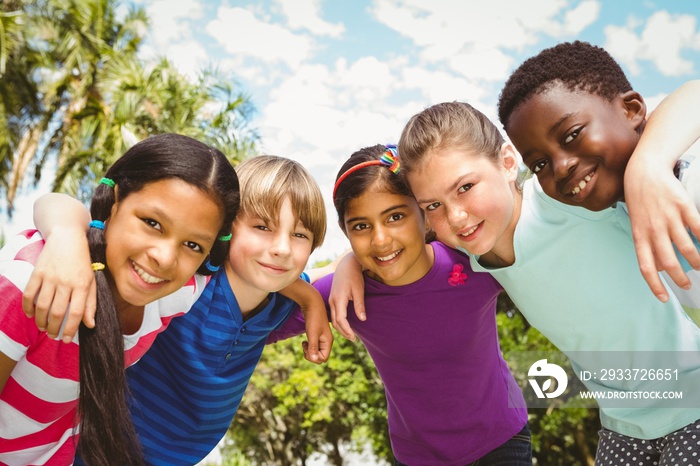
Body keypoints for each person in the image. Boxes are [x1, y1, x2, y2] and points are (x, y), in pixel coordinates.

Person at [332, 98, 700, 465]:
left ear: (508, 163)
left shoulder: (562, 197)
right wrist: (350, 260)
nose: (457, 217)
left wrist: (649, 162)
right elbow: (397, 250)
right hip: (624, 426)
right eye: (433, 206)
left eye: (465, 187)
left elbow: (690, 98)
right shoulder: (469, 255)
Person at [29, 155, 333, 465]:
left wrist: (310, 296)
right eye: (261, 227)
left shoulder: (280, 300)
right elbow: (54, 204)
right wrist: (65, 235)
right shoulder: (181, 281)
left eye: (299, 235)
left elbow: (339, 271)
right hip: (94, 453)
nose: (282, 248)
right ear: (223, 228)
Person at [268, 144, 531, 465]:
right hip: (419, 457)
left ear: (424, 213)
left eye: (396, 216)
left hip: (501, 440)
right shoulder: (344, 293)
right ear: (346, 231)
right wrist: (312, 293)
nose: (380, 239)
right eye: (361, 226)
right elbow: (254, 317)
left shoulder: (471, 260)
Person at [0, 133, 240, 466]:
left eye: (193, 245)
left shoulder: (179, 291)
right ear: (113, 202)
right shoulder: (33, 286)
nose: (166, 258)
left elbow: (267, 267)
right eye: (152, 223)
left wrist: (327, 281)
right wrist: (66, 232)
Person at [497, 41, 700, 323]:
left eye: (572, 135)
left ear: (630, 110)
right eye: (540, 164)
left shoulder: (690, 182)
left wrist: (648, 164)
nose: (561, 168)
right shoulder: (608, 216)